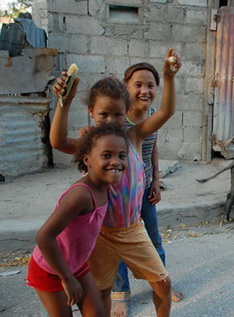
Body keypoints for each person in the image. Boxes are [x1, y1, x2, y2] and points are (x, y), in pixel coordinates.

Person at [50, 48, 181, 317]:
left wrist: (168, 77)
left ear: (127, 113)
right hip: (99, 234)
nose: (111, 122)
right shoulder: (91, 145)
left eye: (118, 115)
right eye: (103, 115)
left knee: (162, 283)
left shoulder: (134, 136)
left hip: (132, 229)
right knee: (102, 291)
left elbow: (166, 110)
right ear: (91, 112)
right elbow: (58, 142)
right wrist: (65, 101)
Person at [26, 123, 129, 316]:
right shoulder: (81, 194)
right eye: (107, 155)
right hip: (50, 268)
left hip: (76, 264)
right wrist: (66, 278)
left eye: (121, 156)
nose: (115, 161)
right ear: (87, 160)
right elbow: (44, 237)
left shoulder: (105, 185)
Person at [112, 62, 183, 317]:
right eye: (138, 85)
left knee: (154, 240)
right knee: (120, 244)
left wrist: (156, 180)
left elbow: (152, 146)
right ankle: (120, 295)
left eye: (150, 85)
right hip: (120, 195)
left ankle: (160, 285)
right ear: (126, 87)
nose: (145, 90)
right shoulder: (118, 117)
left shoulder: (152, 113)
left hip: (145, 191)